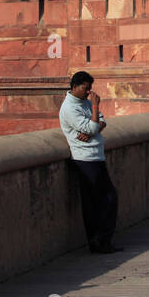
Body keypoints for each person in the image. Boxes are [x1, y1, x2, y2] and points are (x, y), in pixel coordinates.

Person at [59, 71, 121, 254]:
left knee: (108, 199)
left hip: (96, 155)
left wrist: (93, 126)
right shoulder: (69, 108)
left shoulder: (83, 102)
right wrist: (94, 110)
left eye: (90, 89)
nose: (89, 93)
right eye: (86, 89)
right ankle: (96, 242)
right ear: (74, 86)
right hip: (84, 159)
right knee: (94, 202)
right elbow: (94, 125)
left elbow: (100, 122)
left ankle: (103, 241)